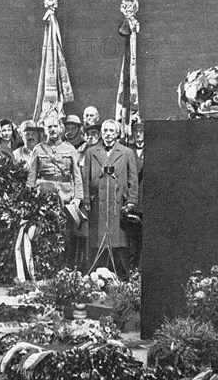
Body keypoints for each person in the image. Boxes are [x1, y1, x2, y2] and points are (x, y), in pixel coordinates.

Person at [82, 119, 139, 279]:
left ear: (117, 133)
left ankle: (120, 276)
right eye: (105, 131)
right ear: (101, 132)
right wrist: (86, 200)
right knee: (98, 240)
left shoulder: (126, 152)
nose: (108, 134)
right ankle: (96, 276)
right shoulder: (91, 152)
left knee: (117, 240)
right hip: (98, 203)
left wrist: (131, 201)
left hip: (117, 203)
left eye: (111, 131)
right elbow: (86, 178)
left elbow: (133, 179)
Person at [27, 115, 84, 270]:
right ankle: (46, 268)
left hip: (65, 196)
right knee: (44, 232)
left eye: (54, 126)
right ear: (45, 130)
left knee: (66, 234)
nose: (52, 129)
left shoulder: (69, 149)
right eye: (48, 127)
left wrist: (78, 198)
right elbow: (32, 176)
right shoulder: (39, 149)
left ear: (61, 128)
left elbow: (77, 175)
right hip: (44, 196)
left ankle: (65, 268)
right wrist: (30, 198)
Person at [127, 119, 145, 269]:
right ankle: (132, 267)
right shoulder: (128, 150)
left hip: (145, 199)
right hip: (133, 199)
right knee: (132, 238)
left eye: (141, 131)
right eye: (136, 131)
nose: (138, 134)